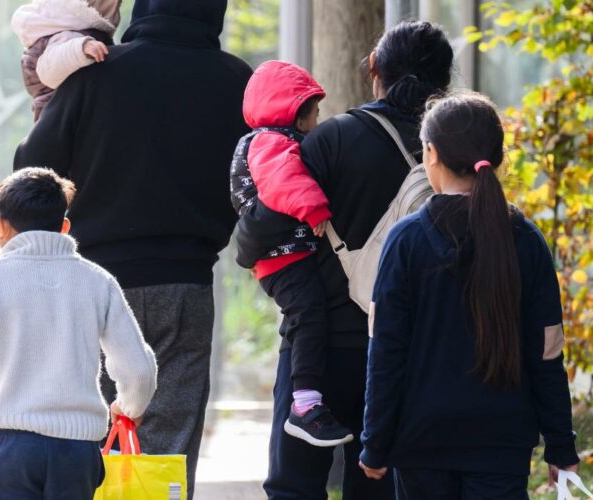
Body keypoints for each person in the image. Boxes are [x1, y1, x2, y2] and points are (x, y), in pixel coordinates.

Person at [13, 0, 252, 496]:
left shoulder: (97, 68)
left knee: (86, 433)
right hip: (186, 282)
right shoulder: (235, 81)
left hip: (92, 282)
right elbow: (249, 179)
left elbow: (31, 166)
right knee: (166, 443)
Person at [264, 21, 455, 499]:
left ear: (376, 71)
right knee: (378, 487)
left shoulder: (331, 139)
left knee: (294, 484)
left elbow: (265, 228)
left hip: (319, 346)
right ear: (445, 81)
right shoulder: (453, 154)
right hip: (406, 348)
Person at [359, 91, 580, 498]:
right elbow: (547, 353)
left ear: (431, 154)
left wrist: (375, 442)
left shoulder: (405, 240)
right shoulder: (526, 240)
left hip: (421, 441)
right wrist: (560, 445)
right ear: (495, 157)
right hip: (502, 445)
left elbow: (386, 351)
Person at [0, 167, 157, 499]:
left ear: (1, 226)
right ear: (65, 226)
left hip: (9, 451)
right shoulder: (98, 281)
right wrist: (130, 406)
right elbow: (139, 369)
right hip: (77, 452)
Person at [230, 61, 352, 447]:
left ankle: (306, 400)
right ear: (295, 113)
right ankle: (305, 404)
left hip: (280, 253)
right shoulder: (270, 142)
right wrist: (316, 209)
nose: (317, 123)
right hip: (281, 255)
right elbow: (283, 186)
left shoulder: (268, 139)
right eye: (313, 113)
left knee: (307, 313)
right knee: (309, 314)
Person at [12, 0, 122, 121]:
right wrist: (80, 48)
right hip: (56, 114)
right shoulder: (67, 34)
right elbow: (48, 70)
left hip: (67, 110)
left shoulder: (74, 26)